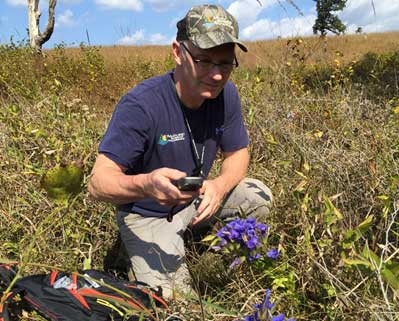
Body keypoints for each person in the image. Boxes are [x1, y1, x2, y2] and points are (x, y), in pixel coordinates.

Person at [88, 4, 272, 298]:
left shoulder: (225, 95)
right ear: (177, 52)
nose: (215, 75)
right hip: (148, 213)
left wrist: (219, 186)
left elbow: (238, 153)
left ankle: (208, 263)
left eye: (225, 64)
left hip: (195, 200)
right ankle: (132, 253)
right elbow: (98, 183)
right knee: (176, 304)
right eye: (203, 61)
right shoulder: (142, 104)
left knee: (257, 197)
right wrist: (146, 185)